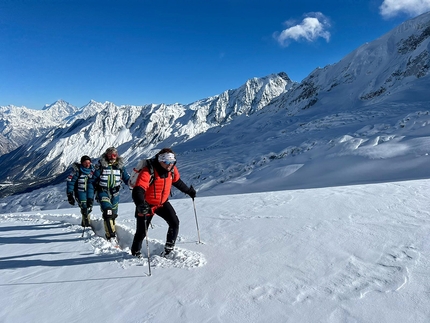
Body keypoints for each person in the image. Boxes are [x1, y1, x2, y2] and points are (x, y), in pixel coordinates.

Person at [131, 148, 196, 258]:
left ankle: (168, 250)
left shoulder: (172, 170)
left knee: (174, 223)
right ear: (160, 160)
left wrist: (188, 191)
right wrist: (140, 204)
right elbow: (138, 189)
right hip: (147, 205)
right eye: (166, 162)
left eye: (172, 162)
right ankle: (135, 253)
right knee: (141, 232)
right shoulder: (148, 171)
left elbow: (177, 182)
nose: (170, 165)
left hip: (162, 203)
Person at [92, 147, 130, 242]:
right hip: (103, 191)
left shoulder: (120, 167)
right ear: (106, 155)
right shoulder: (101, 166)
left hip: (115, 193)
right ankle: (111, 236)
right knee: (108, 212)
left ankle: (111, 230)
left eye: (114, 155)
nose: (112, 157)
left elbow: (127, 179)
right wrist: (89, 195)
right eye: (110, 155)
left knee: (113, 215)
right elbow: (92, 180)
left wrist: (135, 184)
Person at [66, 155, 95, 227]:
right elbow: (70, 182)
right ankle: (85, 222)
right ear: (82, 163)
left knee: (89, 206)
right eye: (85, 163)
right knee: (84, 206)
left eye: (88, 162)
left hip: (90, 192)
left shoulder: (93, 171)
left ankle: (86, 219)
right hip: (80, 192)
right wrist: (70, 194)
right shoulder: (77, 171)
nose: (87, 164)